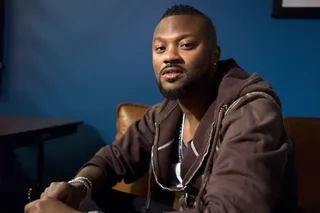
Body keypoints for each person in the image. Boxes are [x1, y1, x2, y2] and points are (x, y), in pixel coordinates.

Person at [25, 4, 299, 213]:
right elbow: (112, 160)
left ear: (214, 55)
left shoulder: (251, 109)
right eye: (160, 48)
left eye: (186, 45)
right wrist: (77, 188)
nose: (169, 56)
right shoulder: (165, 114)